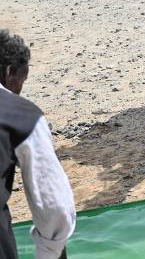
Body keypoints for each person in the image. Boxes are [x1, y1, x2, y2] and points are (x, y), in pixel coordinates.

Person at [1, 30, 76, 259]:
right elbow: (54, 206)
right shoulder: (21, 116)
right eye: (21, 81)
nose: (19, 91)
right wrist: (49, 252)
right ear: (9, 72)